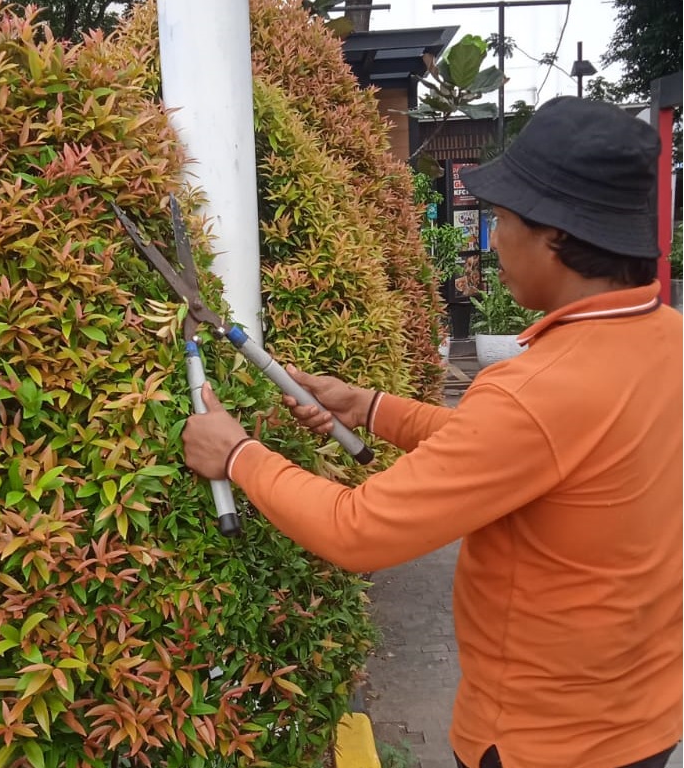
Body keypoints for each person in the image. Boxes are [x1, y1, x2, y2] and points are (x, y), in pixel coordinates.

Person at [182, 96, 683, 768]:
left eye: (501, 220)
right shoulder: (664, 339)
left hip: (543, 741)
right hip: (645, 716)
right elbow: (537, 455)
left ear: (556, 236)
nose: (492, 239)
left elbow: (357, 531)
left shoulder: (537, 391)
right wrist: (369, 407)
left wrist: (238, 453)